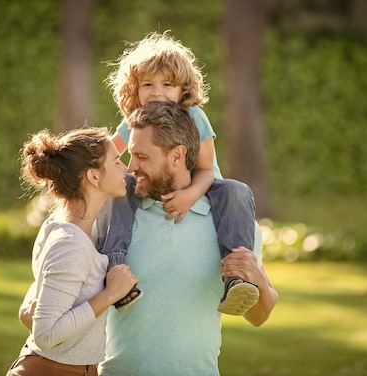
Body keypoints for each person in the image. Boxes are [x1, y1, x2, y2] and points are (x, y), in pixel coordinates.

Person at [95, 101, 278, 375]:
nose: (131, 167)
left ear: (177, 156)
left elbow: (258, 316)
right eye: (130, 155)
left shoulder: (230, 222)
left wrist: (258, 278)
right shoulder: (112, 219)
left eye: (142, 157)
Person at [102, 31, 263, 314]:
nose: (157, 92)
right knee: (122, 187)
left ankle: (236, 278)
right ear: (135, 89)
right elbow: (108, 152)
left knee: (236, 190)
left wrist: (190, 195)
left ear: (182, 89)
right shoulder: (137, 121)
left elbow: (205, 170)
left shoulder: (195, 117)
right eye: (147, 84)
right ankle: (115, 267)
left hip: (204, 185)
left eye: (167, 84)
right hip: (150, 183)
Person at [6, 127, 139, 376]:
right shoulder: (71, 243)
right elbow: (46, 334)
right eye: (117, 161)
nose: (126, 168)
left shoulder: (63, 227)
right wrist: (110, 294)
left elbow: (39, 298)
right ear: (94, 177)